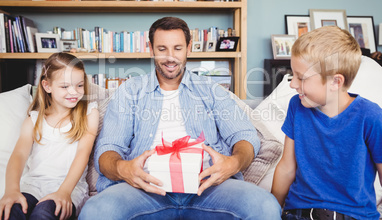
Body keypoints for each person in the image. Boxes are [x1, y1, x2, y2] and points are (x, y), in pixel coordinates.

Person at [79, 17, 281, 219]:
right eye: (162, 49)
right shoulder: (129, 91)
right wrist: (123, 168)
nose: (170, 57)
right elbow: (107, 150)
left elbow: (244, 135)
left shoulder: (212, 90)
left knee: (265, 206)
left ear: (188, 48)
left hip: (208, 187)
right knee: (95, 211)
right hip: (144, 189)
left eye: (177, 48)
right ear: (151, 49)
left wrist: (234, 163)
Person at [271, 26, 382, 220]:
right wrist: (270, 211)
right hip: (298, 214)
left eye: (301, 77)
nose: (292, 84)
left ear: (335, 82)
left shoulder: (370, 116)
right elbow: (286, 167)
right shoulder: (296, 106)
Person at [0, 53, 99, 220]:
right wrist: (11, 190)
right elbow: (18, 155)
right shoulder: (33, 120)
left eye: (79, 85)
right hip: (33, 186)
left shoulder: (90, 113)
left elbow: (83, 153)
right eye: (65, 87)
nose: (73, 92)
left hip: (69, 189)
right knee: (12, 211)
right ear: (47, 86)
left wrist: (64, 192)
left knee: (43, 214)